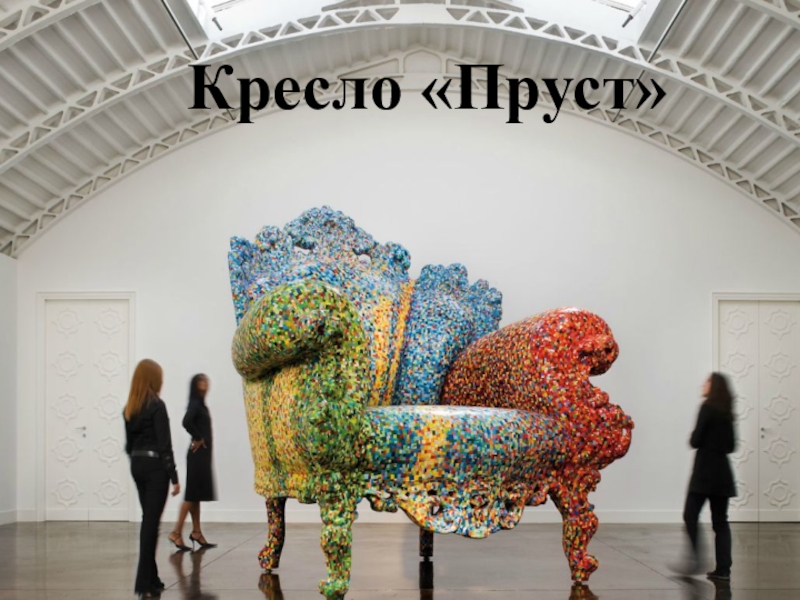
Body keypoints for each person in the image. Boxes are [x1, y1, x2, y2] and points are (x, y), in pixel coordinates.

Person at [124, 359, 180, 599]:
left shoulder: (129, 408)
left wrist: (138, 465)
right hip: (156, 467)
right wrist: (174, 476)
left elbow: (128, 446)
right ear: (154, 380)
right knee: (151, 524)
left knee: (148, 519)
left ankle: (153, 579)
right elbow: (165, 444)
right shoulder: (157, 405)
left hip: (137, 465)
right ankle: (143, 583)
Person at [676, 372, 737, 581]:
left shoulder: (706, 407)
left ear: (714, 386)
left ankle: (695, 560)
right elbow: (732, 446)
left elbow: (695, 440)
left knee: (690, 515)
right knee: (720, 522)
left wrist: (696, 438)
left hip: (704, 473)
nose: (703, 384)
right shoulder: (727, 412)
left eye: (707, 381)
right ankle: (723, 569)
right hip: (723, 473)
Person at [168, 374, 218, 551]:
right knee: (191, 495)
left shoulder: (200, 404)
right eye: (201, 381)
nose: (205, 384)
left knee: (196, 495)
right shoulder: (195, 404)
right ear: (195, 385)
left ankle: (196, 532)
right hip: (197, 456)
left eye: (206, 381)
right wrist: (198, 437)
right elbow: (186, 421)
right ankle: (176, 532)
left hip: (202, 456)